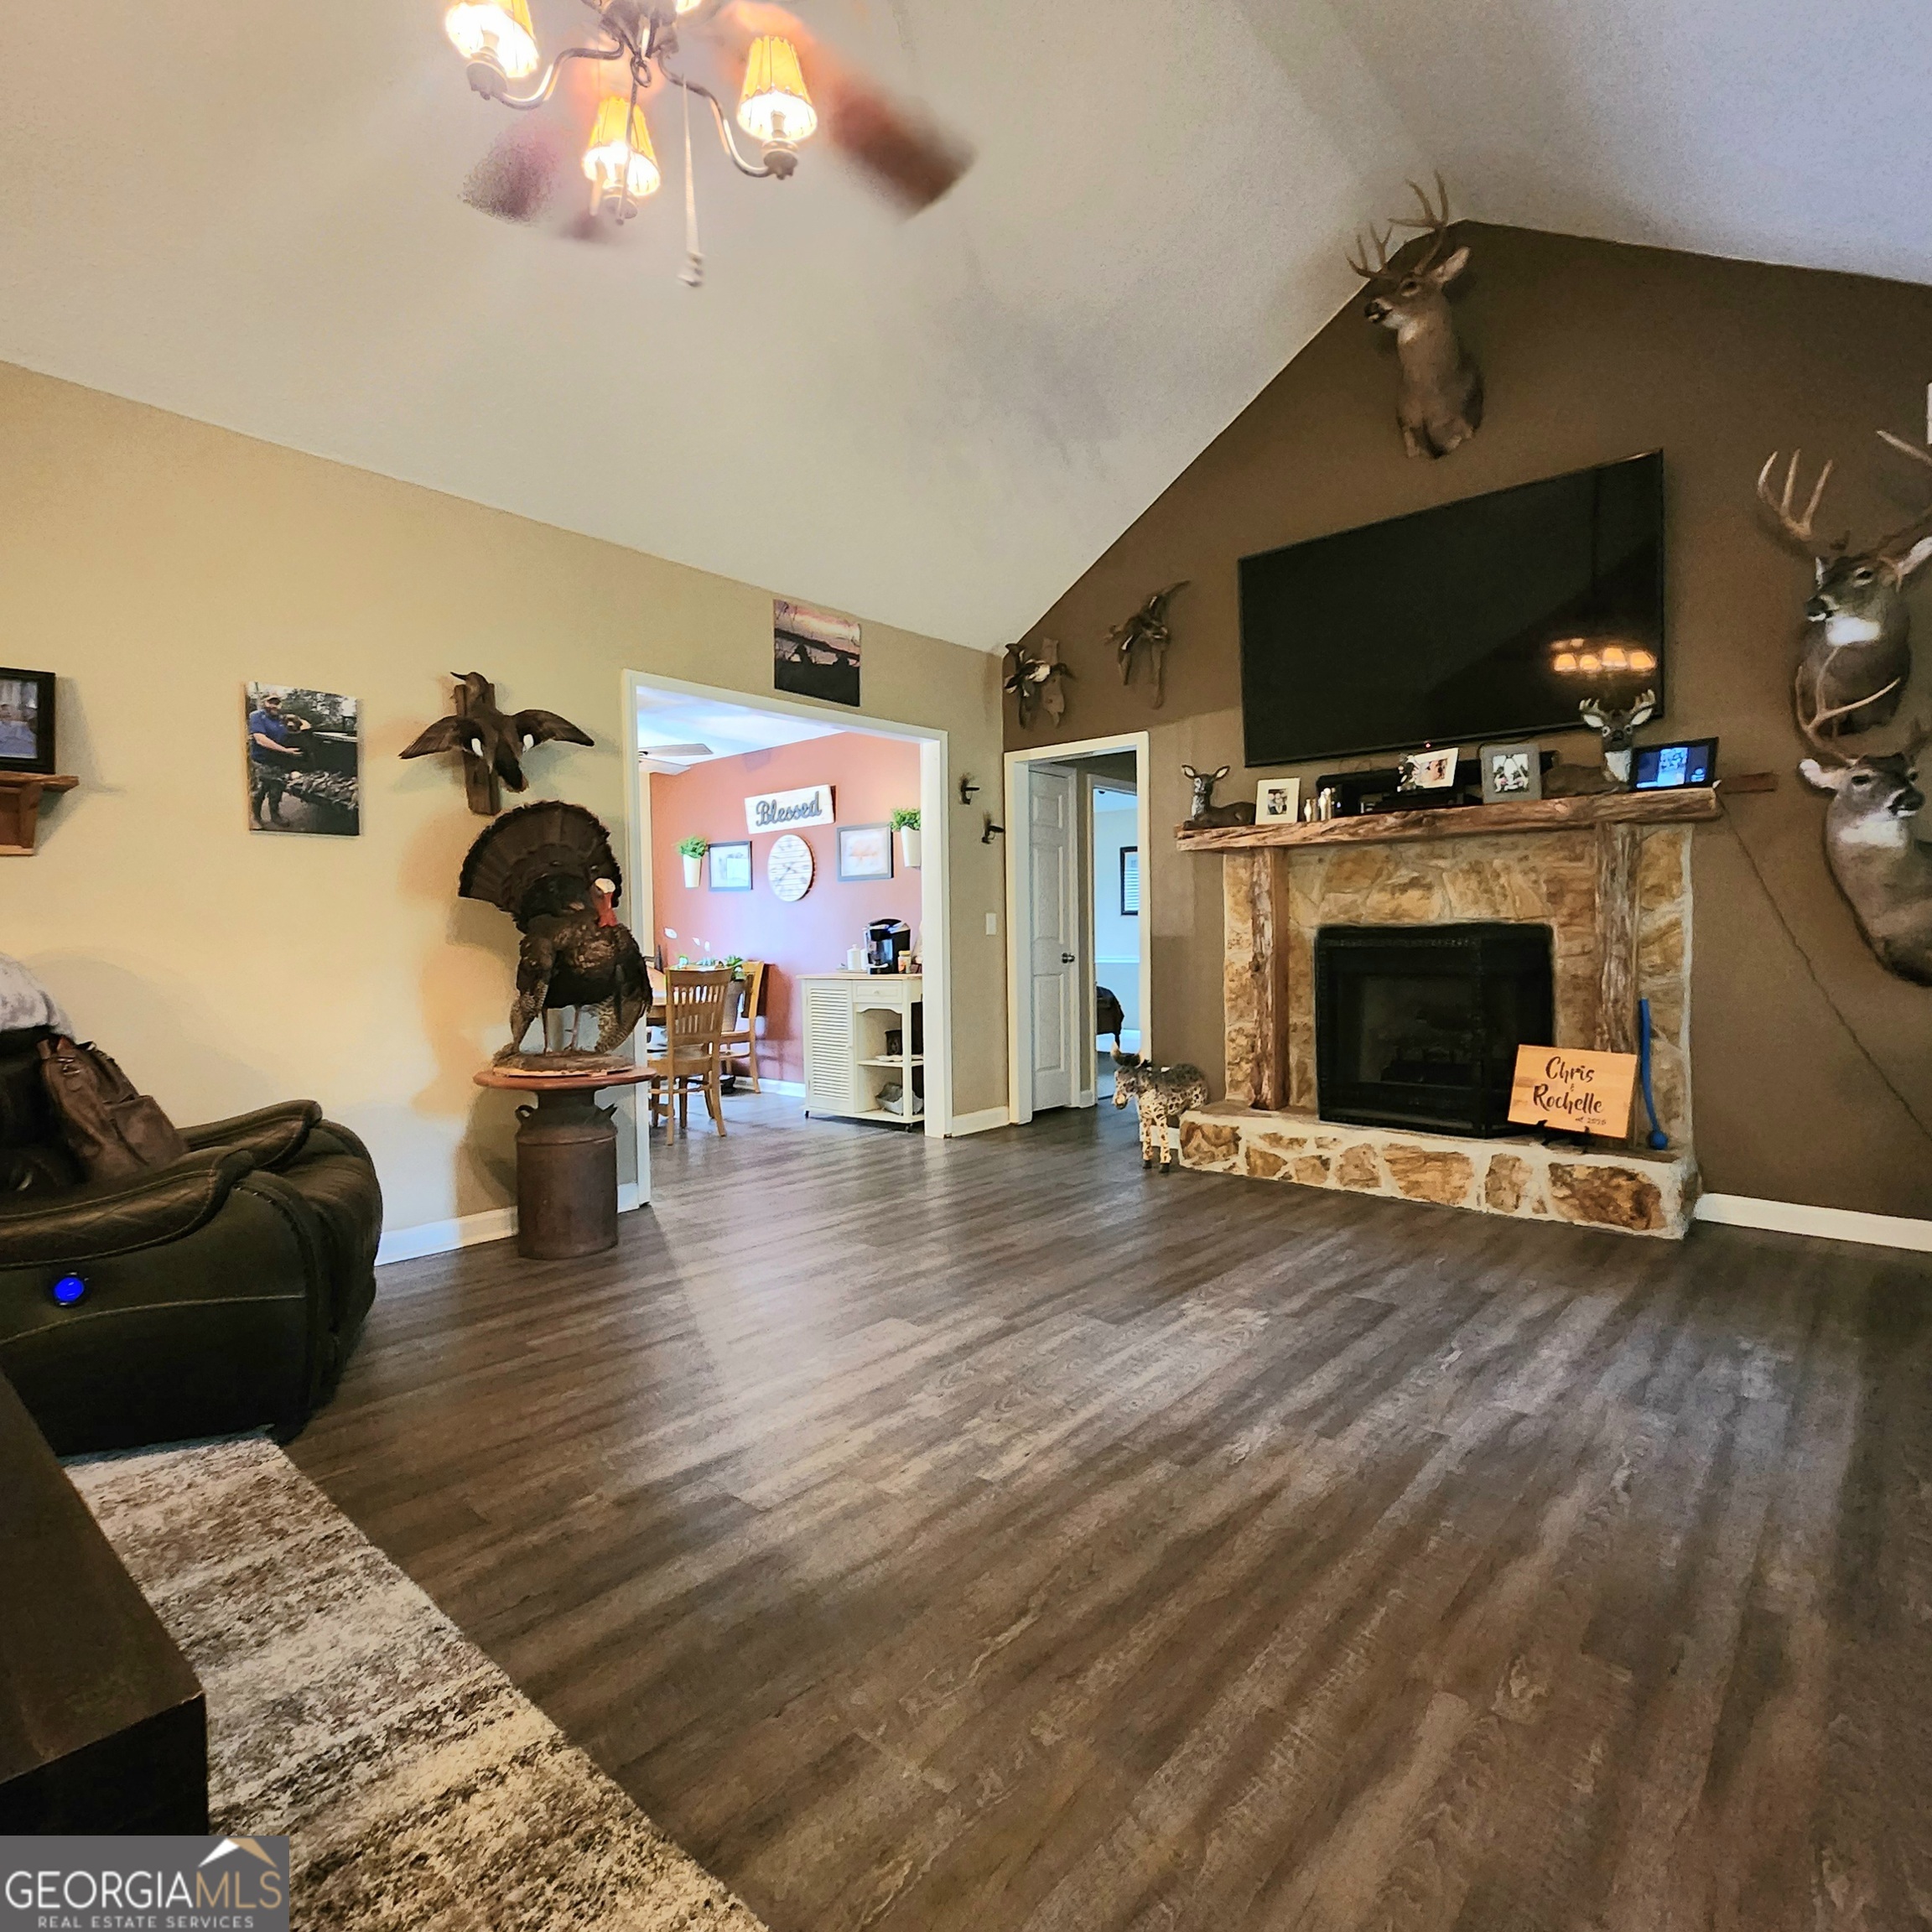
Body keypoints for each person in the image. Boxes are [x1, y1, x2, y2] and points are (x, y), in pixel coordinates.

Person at [247, 693, 309, 825]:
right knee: (260, 789)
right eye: (271, 702)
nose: (274, 705)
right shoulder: (257, 716)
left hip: (278, 761)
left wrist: (304, 726)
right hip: (261, 761)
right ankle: (254, 817)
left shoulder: (281, 718)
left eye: (277, 702)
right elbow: (260, 739)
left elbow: (301, 723)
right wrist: (286, 751)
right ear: (265, 703)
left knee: (277, 788)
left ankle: (275, 815)